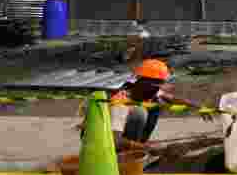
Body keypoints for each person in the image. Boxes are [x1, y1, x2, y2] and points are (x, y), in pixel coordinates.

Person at [80, 59, 212, 150]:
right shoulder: (120, 102)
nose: (157, 90)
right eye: (155, 86)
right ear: (142, 82)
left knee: (155, 105)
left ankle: (138, 146)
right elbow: (115, 141)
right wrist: (149, 148)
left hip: (117, 136)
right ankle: (127, 155)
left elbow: (172, 99)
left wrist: (199, 107)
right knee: (139, 113)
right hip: (99, 144)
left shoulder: (144, 90)